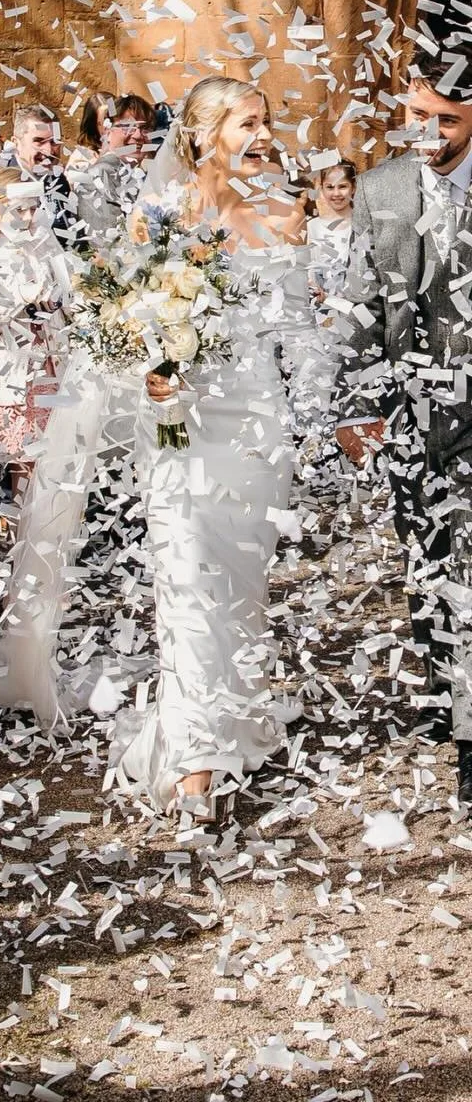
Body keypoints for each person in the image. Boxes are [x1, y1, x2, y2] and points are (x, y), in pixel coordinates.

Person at [116, 76, 325, 820]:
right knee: (185, 579)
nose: (263, 134)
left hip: (256, 427)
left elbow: (297, 328)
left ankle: (230, 714)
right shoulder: (155, 216)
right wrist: (149, 369)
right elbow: (119, 326)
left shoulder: (280, 211)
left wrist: (319, 415)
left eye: (266, 120)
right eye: (247, 123)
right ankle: (195, 760)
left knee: (238, 590)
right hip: (179, 428)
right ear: (202, 135)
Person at [337, 67, 472, 794]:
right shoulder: (380, 188)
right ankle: (440, 680)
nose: (427, 135)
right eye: (417, 118)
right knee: (428, 556)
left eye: (445, 122)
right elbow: (360, 303)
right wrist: (356, 406)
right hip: (412, 414)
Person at [0, 167, 74, 507]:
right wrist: (20, 300)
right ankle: (21, 534)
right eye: (20, 209)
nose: (29, 216)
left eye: (34, 208)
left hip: (51, 363)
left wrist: (61, 297)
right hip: (13, 371)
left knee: (55, 456)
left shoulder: (43, 244)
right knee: (22, 460)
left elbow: (66, 298)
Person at [71, 94, 155, 249]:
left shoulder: (145, 176)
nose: (137, 135)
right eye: (127, 126)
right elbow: (105, 245)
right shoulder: (96, 177)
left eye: (144, 128)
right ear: (107, 131)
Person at [2, 104, 83, 249]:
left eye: (54, 141)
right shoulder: (1, 186)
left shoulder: (58, 180)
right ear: (16, 143)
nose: (49, 150)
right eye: (39, 141)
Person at [307, 157, 357, 308]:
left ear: (353, 187)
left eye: (342, 186)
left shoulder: (363, 225)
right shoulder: (312, 227)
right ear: (321, 188)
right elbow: (307, 272)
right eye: (330, 187)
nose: (336, 193)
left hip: (357, 313)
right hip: (321, 313)